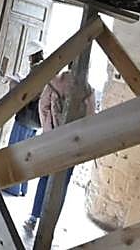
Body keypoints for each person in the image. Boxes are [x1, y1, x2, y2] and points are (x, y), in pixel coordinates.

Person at [23, 62, 96, 232]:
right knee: (62, 183)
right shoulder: (88, 89)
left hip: (52, 139)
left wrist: (49, 130)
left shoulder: (54, 82)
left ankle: (34, 217)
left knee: (45, 178)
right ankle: (50, 223)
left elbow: (43, 107)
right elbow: (90, 116)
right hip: (72, 143)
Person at [3, 49, 45, 196]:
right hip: (35, 120)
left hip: (25, 118)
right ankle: (22, 188)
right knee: (27, 155)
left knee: (15, 152)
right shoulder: (46, 68)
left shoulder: (36, 69)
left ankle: (12, 187)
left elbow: (30, 92)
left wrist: (16, 83)